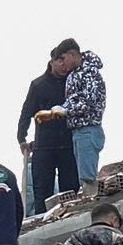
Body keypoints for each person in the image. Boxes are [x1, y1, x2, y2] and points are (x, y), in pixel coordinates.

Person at [17, 44, 82, 213]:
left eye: (64, 60)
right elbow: (26, 112)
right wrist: (21, 138)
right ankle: (41, 224)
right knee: (42, 193)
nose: (62, 64)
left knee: (71, 191)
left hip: (68, 144)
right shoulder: (38, 85)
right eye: (59, 60)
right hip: (44, 145)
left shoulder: (73, 81)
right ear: (51, 62)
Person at [61, 48, 108, 186]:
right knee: (83, 178)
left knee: (87, 180)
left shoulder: (90, 73)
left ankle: (91, 204)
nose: (63, 63)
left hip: (88, 129)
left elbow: (89, 101)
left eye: (64, 58)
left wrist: (66, 110)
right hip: (78, 131)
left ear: (72, 54)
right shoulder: (74, 74)